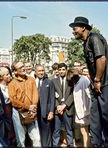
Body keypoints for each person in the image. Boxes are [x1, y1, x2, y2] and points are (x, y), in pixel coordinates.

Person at [69, 16, 108, 146]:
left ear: (83, 28)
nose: (73, 31)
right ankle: (97, 143)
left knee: (105, 116)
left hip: (104, 84)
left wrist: (97, 80)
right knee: (95, 116)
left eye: (75, 28)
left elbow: (101, 59)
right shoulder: (86, 42)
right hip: (96, 85)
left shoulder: (95, 38)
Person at [8, 61, 41, 147]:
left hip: (32, 111)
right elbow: (13, 100)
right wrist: (28, 107)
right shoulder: (12, 84)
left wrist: (33, 108)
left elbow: (35, 94)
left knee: (37, 138)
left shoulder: (31, 79)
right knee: (21, 140)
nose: (23, 68)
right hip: (18, 113)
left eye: (23, 66)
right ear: (15, 71)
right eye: (20, 68)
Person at [67, 68, 91, 147]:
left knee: (85, 131)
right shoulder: (76, 83)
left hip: (85, 111)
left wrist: (88, 110)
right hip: (80, 111)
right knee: (83, 130)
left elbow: (89, 96)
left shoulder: (84, 81)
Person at [52, 63, 74, 147]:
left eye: (63, 69)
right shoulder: (53, 81)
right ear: (57, 70)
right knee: (56, 130)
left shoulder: (71, 80)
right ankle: (55, 145)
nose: (61, 71)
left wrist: (64, 105)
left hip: (67, 109)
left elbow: (72, 95)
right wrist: (58, 106)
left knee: (69, 129)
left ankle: (70, 145)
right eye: (60, 69)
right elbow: (52, 95)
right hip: (57, 109)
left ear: (66, 70)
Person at [35, 64, 55, 147]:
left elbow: (52, 98)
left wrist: (51, 112)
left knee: (46, 133)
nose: (41, 72)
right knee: (36, 134)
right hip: (35, 113)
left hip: (45, 112)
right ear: (35, 72)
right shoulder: (32, 82)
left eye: (42, 70)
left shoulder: (49, 82)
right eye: (39, 71)